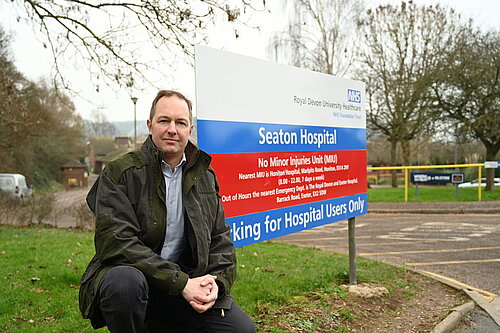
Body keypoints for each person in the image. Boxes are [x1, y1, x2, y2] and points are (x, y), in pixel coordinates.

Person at [79, 90, 255, 333]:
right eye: (164, 121)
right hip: (139, 281)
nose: (172, 129)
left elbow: (220, 240)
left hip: (184, 284)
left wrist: (217, 283)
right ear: (150, 126)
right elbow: (116, 242)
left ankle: (158, 322)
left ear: (189, 130)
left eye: (180, 123)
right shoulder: (121, 173)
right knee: (125, 284)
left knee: (241, 330)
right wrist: (180, 282)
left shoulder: (205, 176)